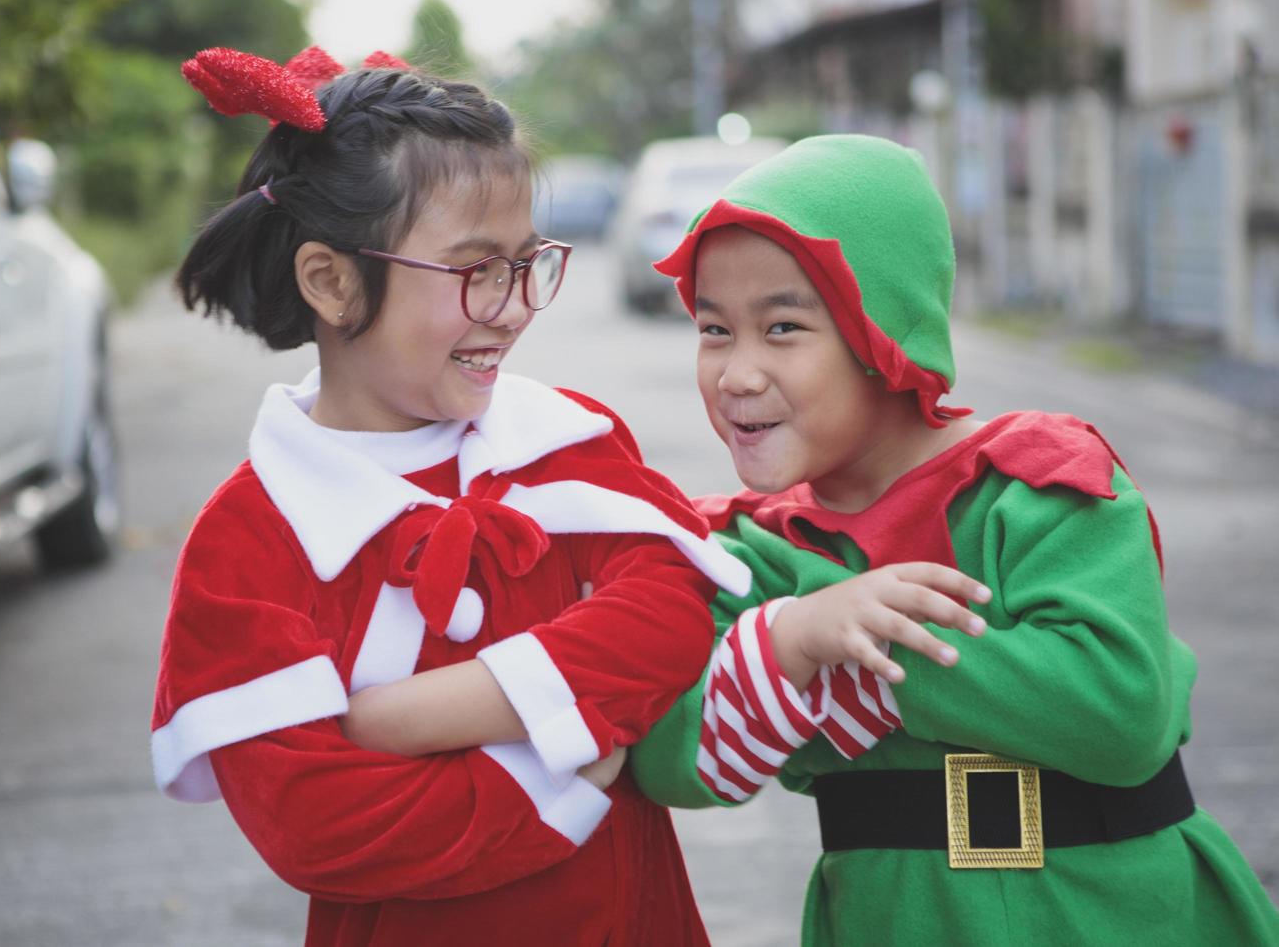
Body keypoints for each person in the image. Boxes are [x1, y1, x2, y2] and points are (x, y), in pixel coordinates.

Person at [149, 47, 986, 946]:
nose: (511, 309)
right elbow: (312, 819)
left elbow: (669, 614)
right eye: (476, 270)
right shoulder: (250, 537)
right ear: (331, 281)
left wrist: (408, 717)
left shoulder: (562, 439)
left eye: (524, 264)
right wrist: (553, 784)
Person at [630, 133, 1279, 946]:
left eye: (784, 327)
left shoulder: (1039, 483)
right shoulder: (749, 551)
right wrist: (795, 640)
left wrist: (868, 666)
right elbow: (668, 759)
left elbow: (1123, 714)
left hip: (1117, 915)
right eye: (714, 330)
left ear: (885, 335)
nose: (737, 373)